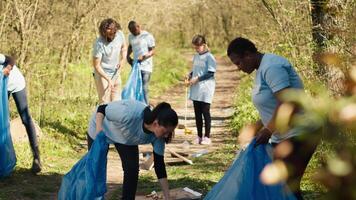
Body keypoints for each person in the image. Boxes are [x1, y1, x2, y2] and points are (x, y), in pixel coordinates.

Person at [227, 37, 320, 199]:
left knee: (287, 185)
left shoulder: (272, 67)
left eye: (238, 63)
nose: (238, 68)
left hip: (301, 132)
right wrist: (256, 126)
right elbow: (272, 107)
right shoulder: (261, 69)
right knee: (279, 185)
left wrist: (268, 129)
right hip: (282, 135)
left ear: (248, 54)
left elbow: (288, 102)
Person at [87, 100, 178, 200]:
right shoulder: (129, 113)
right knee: (96, 167)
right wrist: (99, 129)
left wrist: (167, 195)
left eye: (169, 133)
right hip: (101, 127)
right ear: (156, 123)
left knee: (132, 169)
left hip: (125, 137)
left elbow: (159, 166)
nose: (166, 135)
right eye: (165, 131)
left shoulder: (158, 138)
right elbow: (102, 108)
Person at [0, 53, 42, 174]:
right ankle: (4, 159)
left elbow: (11, 59)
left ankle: (36, 158)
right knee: (2, 120)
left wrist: (7, 68)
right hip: (2, 88)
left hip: (15, 83)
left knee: (25, 118)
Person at [185, 35, 217, 145]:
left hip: (206, 88)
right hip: (196, 88)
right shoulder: (196, 56)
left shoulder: (210, 57)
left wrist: (197, 79)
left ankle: (207, 137)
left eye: (198, 47)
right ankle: (199, 136)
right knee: (197, 113)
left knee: (205, 112)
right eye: (195, 47)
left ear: (204, 45)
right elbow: (195, 70)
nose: (196, 49)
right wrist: (189, 76)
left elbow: (210, 73)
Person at [93, 18, 126, 104]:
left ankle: (115, 117)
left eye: (112, 34)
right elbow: (96, 65)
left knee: (117, 102)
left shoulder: (120, 35)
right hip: (102, 74)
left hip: (116, 72)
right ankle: (102, 117)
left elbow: (124, 48)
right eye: (108, 34)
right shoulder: (99, 44)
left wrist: (122, 59)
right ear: (103, 32)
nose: (110, 37)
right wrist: (108, 79)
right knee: (105, 102)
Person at [126, 21, 155, 104]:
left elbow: (152, 51)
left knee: (144, 87)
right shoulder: (130, 36)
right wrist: (127, 57)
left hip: (146, 66)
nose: (133, 33)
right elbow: (130, 46)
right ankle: (137, 106)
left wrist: (144, 57)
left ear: (138, 27)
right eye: (131, 31)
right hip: (136, 66)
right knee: (135, 87)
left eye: (134, 31)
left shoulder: (147, 36)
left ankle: (146, 106)